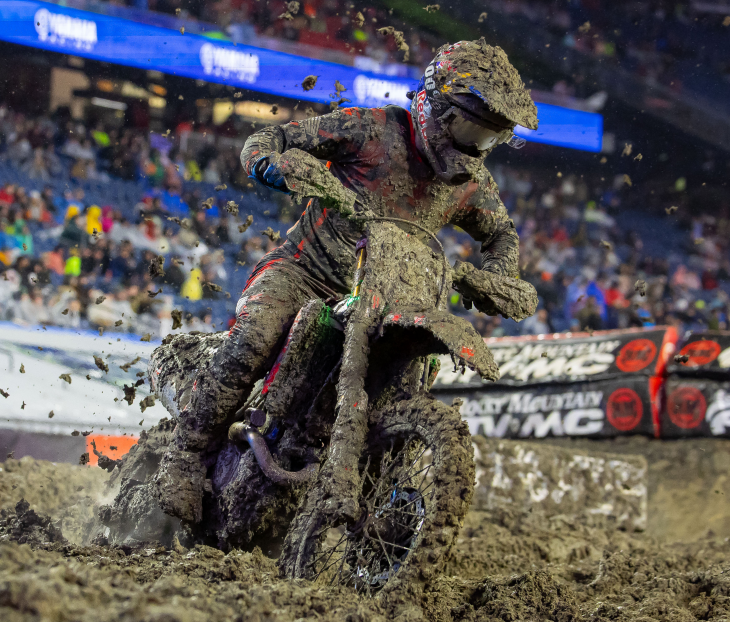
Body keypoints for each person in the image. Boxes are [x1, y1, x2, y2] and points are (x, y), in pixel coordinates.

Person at [149, 39, 538, 522]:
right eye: (470, 129)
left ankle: (381, 499)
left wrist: (494, 276)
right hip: (304, 272)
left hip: (386, 295)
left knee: (413, 375)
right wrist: (273, 164)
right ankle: (185, 456)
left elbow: (501, 233)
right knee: (256, 336)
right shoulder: (370, 129)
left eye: (489, 139)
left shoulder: (472, 183)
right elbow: (270, 139)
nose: (474, 147)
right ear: (435, 105)